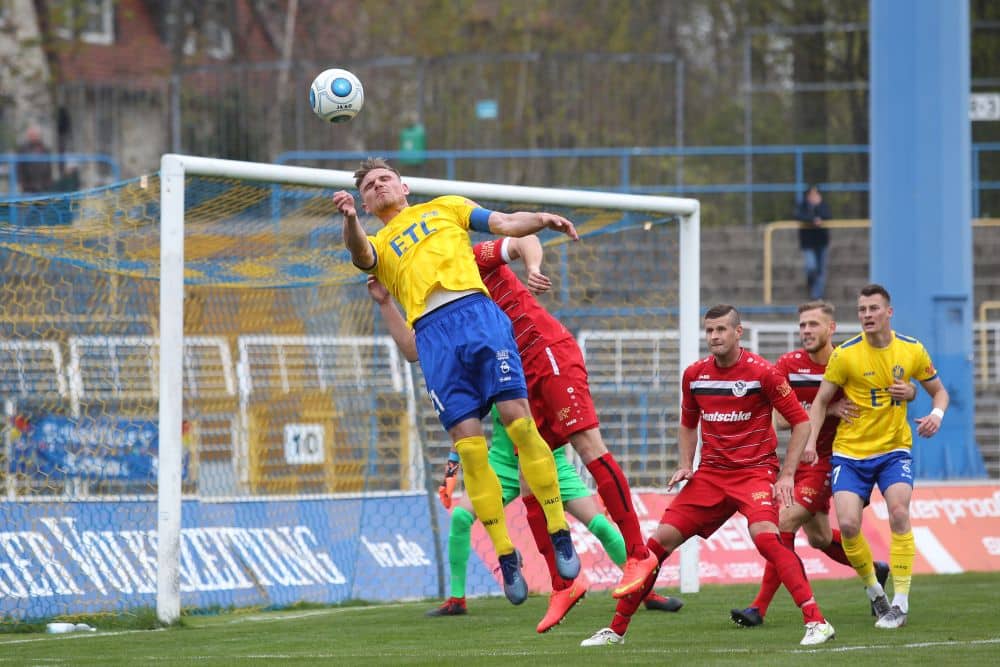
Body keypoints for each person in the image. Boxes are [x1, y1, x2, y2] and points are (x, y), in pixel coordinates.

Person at [366, 231, 660, 613]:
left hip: (541, 354)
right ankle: (555, 585)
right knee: (513, 492)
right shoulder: (427, 295)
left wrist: (533, 264)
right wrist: (387, 301)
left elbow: (522, 238)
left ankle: (640, 562)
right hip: (509, 445)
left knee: (588, 457)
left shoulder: (471, 256)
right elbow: (413, 350)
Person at [335, 157, 581, 606]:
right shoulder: (378, 243)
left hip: (478, 316)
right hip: (433, 335)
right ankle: (507, 555)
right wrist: (349, 219)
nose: (378, 186)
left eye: (384, 178)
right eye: (369, 187)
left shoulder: (446, 207)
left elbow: (505, 222)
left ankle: (558, 528)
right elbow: (358, 254)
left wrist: (541, 218)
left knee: (519, 423)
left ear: (404, 185)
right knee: (470, 450)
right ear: (366, 204)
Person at [581, 304, 836, 648]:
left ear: (737, 332)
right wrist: (686, 464)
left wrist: (786, 475)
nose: (714, 336)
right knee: (657, 544)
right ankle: (615, 629)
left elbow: (802, 422)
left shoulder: (763, 373)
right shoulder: (695, 375)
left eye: (720, 330)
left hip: (754, 473)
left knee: (766, 539)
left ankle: (816, 621)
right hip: (711, 476)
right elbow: (688, 425)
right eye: (709, 330)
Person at [417, 406, 683, 632]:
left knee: (600, 525)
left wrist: (605, 489)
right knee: (461, 517)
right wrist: (451, 472)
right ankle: (456, 599)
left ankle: (645, 593)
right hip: (502, 465)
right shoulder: (497, 369)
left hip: (551, 464)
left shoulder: (546, 372)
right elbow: (464, 423)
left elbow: (583, 432)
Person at [730, 300, 907, 628]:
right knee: (821, 538)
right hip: (799, 460)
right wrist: (821, 409)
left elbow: (869, 409)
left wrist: (907, 393)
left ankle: (759, 608)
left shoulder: (848, 362)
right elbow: (778, 419)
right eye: (802, 326)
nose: (806, 331)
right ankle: (876, 570)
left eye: (813, 325)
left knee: (783, 523)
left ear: (831, 328)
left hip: (834, 460)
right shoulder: (788, 364)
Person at [805, 284, 949, 629]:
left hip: (893, 449)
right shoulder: (846, 354)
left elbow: (939, 392)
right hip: (850, 453)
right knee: (850, 525)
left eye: (873, 308)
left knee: (899, 512)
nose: (866, 315)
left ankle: (900, 601)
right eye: (862, 310)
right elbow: (822, 400)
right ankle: (874, 591)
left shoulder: (911, 350)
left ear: (889, 312)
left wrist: (934, 415)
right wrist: (810, 442)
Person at [795, 185, 832, 300]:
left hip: (821, 242)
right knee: (811, 267)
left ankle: (816, 296)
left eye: (816, 194)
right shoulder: (803, 206)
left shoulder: (823, 205)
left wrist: (818, 206)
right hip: (808, 243)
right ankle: (810, 282)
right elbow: (798, 216)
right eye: (811, 194)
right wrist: (813, 219)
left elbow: (828, 215)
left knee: (821, 270)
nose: (814, 197)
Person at [16, 124, 54, 194]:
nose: (33, 137)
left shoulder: (45, 149)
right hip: (28, 185)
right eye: (31, 135)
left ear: (39, 135)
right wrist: (20, 183)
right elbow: (19, 167)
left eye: (35, 135)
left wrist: (49, 182)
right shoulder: (22, 149)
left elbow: (49, 167)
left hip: (44, 185)